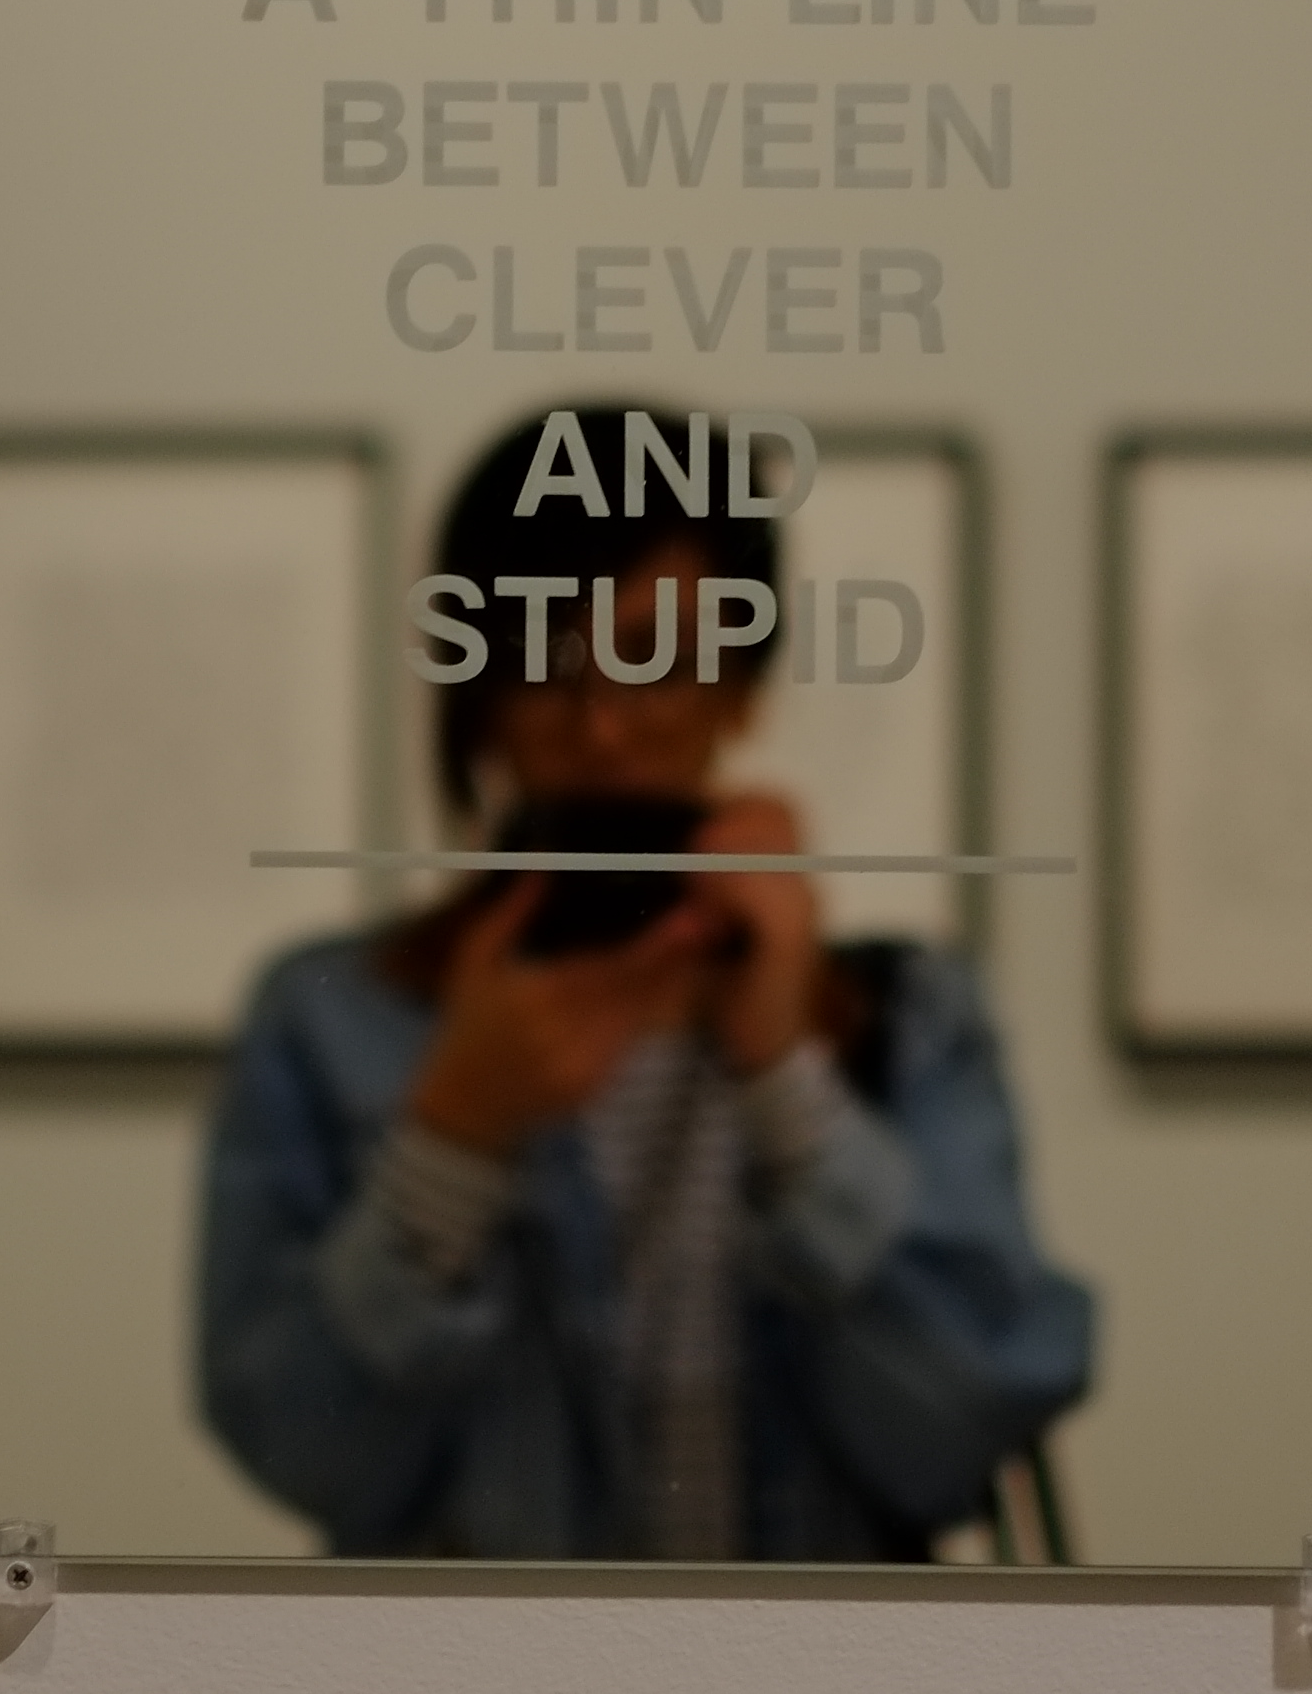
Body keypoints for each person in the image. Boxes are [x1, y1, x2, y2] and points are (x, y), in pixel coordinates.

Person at [197, 410, 1094, 1559]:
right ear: (478, 688)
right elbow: (296, 1451)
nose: (606, 726)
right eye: (549, 662)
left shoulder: (907, 1019)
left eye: (657, 657)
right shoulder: (332, 1020)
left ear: (742, 684)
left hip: (823, 1669)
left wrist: (788, 1080)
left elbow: (972, 1423)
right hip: (464, 1672)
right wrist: (453, 1134)